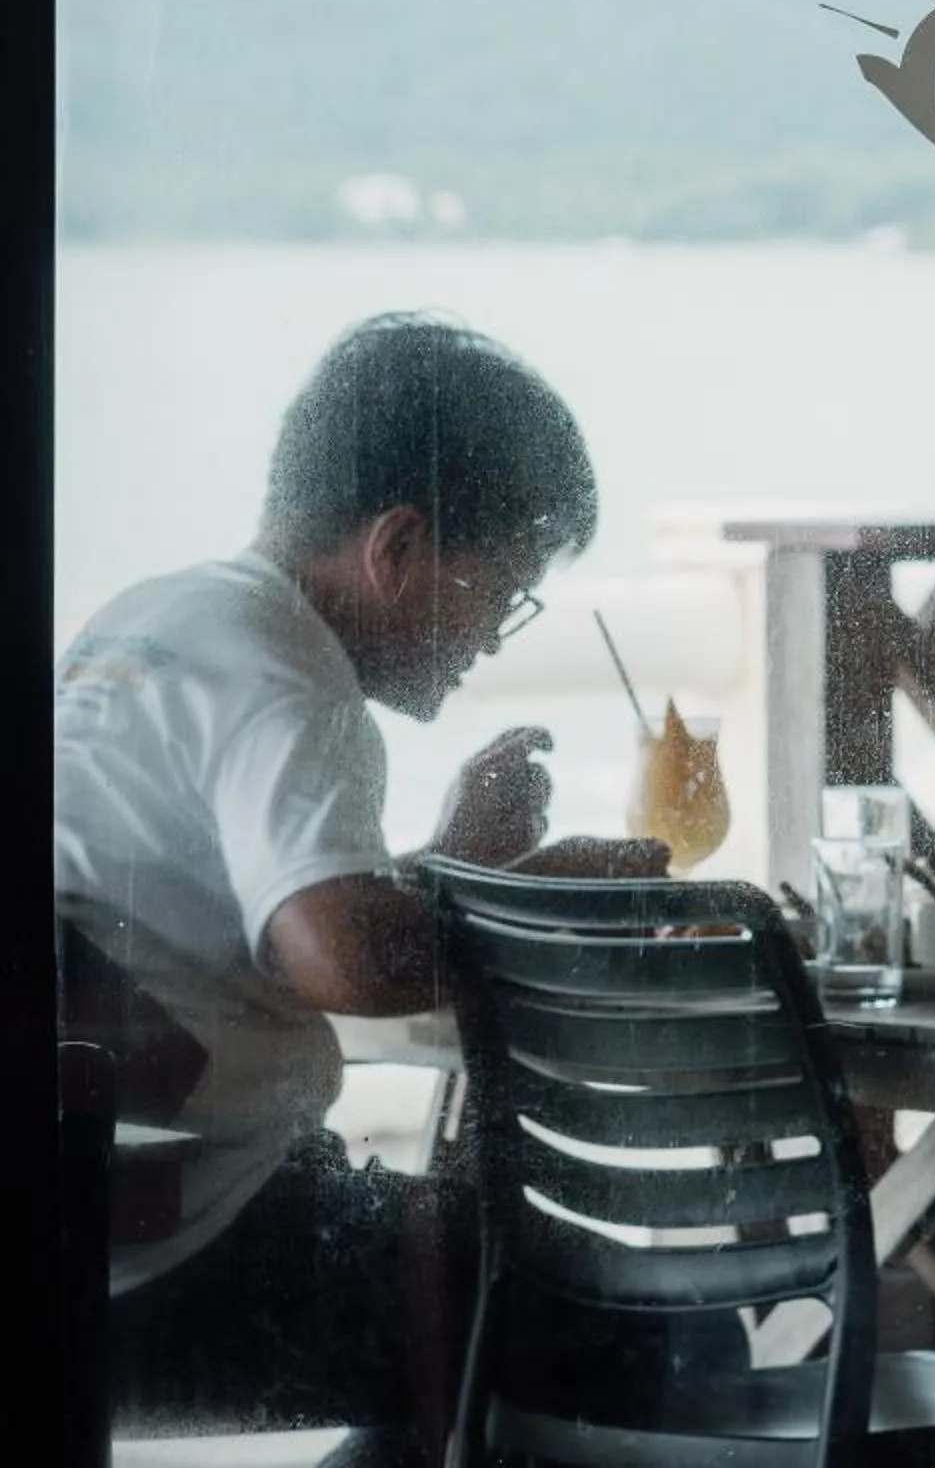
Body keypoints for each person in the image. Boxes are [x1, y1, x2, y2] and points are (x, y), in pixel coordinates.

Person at [56, 310, 667, 1468]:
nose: (494, 636)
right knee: (650, 1339)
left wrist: (444, 871)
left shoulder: (152, 620)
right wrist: (540, 897)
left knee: (468, 1267)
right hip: (173, 1250)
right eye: (501, 589)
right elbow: (340, 961)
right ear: (397, 546)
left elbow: (271, 922)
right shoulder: (287, 673)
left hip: (100, 1216)